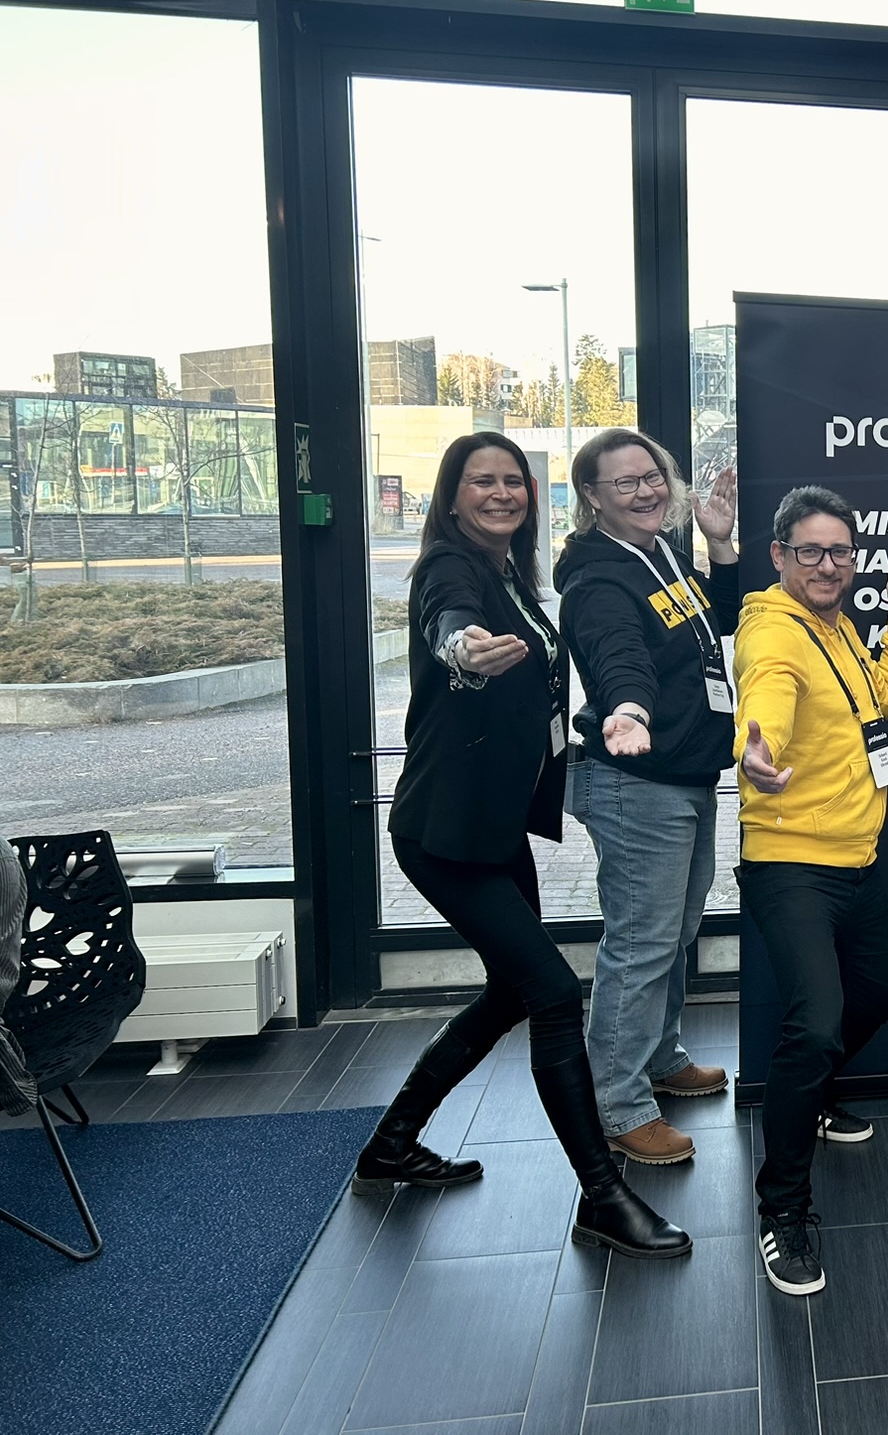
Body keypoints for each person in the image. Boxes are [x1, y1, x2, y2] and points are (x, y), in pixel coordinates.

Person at [356, 431, 688, 1262]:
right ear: (452, 494)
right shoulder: (451, 569)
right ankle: (602, 1197)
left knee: (512, 993)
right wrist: (463, 652)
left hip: (491, 830)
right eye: (483, 482)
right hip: (443, 834)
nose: (502, 493)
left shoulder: (512, 573)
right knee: (549, 991)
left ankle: (391, 1142)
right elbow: (447, 625)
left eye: (514, 481)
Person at [733, 485, 888, 1296]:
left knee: (877, 999)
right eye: (810, 551)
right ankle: (782, 1210)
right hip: (790, 861)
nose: (828, 566)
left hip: (857, 857)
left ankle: (806, 1100)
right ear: (780, 555)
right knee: (813, 1025)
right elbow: (769, 693)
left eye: (840, 552)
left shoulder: (841, 625)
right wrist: (759, 747)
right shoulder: (772, 631)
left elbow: (879, 702)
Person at [556, 429, 738, 1167]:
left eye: (653, 476)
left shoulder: (660, 552)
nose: (647, 490)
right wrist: (626, 707)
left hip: (683, 774)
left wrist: (719, 546)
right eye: (625, 483)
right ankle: (620, 1105)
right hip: (636, 783)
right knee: (640, 945)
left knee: (675, 930)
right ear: (592, 497)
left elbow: (717, 624)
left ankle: (660, 1059)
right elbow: (617, 658)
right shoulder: (598, 578)